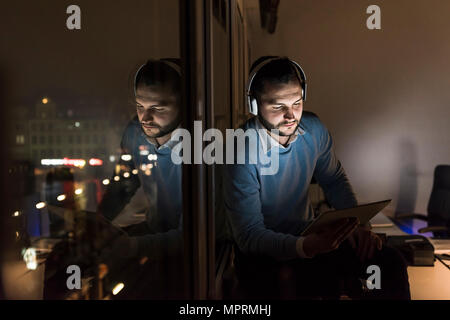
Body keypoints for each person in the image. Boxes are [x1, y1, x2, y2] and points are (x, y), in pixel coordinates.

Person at [224, 56, 410, 299]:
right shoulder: (239, 149)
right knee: (305, 281)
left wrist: (358, 225)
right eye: (278, 106)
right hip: (262, 253)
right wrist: (305, 247)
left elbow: (334, 179)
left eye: (297, 103)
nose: (291, 115)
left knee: (390, 262)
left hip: (310, 236)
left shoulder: (313, 129)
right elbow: (249, 235)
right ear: (254, 104)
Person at [97, 59, 185, 298]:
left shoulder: (202, 148)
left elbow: (190, 235)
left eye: (158, 108)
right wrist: (97, 224)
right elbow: (122, 185)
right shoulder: (135, 133)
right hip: (155, 233)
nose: (145, 118)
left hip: (191, 253)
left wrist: (132, 246)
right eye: (139, 106)